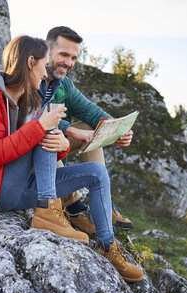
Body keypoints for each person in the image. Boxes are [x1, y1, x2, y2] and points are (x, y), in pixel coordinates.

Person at [0, 35, 143, 282]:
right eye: (45, 65)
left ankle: (108, 246)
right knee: (41, 127)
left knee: (97, 173)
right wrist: (42, 126)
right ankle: (48, 211)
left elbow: (49, 142)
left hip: (19, 187)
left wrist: (64, 144)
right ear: (31, 62)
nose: (46, 74)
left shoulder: (30, 97)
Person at [39, 26, 135, 235]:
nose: (69, 63)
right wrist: (71, 131)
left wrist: (118, 129)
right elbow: (32, 116)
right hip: (28, 153)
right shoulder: (30, 74)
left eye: (73, 57)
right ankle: (74, 208)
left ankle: (103, 203)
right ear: (46, 49)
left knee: (94, 126)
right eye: (64, 54)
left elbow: (91, 111)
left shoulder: (64, 84)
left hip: (52, 149)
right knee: (53, 134)